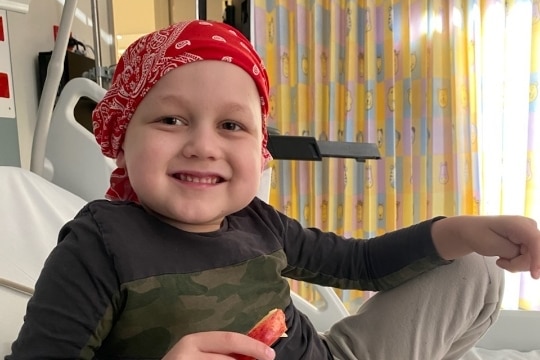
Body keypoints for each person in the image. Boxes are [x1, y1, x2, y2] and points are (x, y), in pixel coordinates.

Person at [7, 20, 540, 360]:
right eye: (171, 119)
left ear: (259, 148)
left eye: (232, 126)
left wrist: (466, 229)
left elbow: (363, 264)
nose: (202, 145)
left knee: (475, 269)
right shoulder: (100, 246)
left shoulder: (259, 222)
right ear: (121, 140)